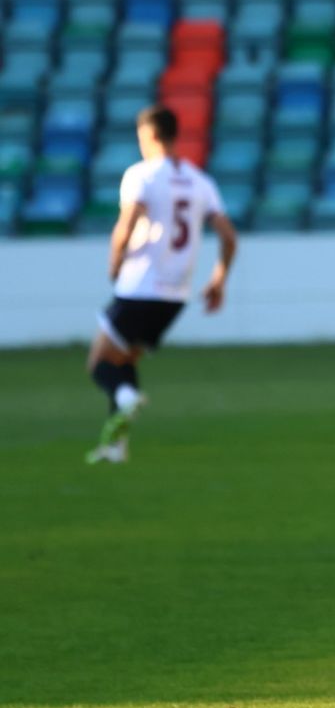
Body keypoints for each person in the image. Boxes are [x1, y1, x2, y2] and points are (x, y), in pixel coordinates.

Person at [85, 105, 237, 464]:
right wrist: (218, 280)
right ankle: (116, 446)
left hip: (140, 285)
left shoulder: (142, 175)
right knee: (124, 360)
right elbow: (228, 236)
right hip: (175, 296)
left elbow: (126, 224)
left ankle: (126, 400)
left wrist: (115, 262)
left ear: (150, 135)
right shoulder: (201, 182)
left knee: (99, 364)